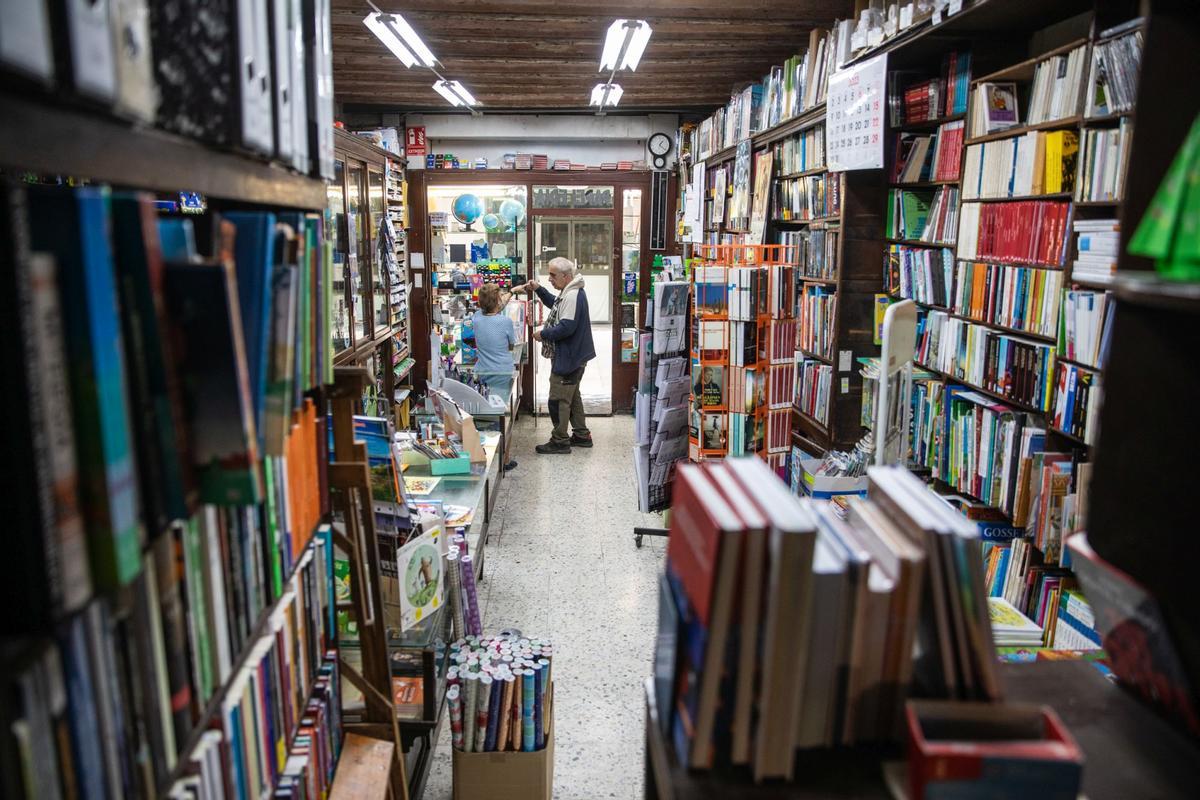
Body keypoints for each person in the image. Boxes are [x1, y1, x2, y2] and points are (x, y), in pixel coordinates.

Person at [519, 257, 596, 454]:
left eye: (552, 275)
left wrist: (542, 334)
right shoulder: (569, 291)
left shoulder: (572, 295)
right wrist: (538, 289)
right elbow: (555, 305)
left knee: (558, 398)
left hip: (570, 355)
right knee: (572, 395)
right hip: (576, 354)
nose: (549, 279)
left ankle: (560, 441)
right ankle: (581, 434)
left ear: (566, 276)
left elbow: (567, 327)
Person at [470, 283, 520, 470]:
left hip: (483, 371)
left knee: (485, 411)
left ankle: (480, 451)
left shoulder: (475, 319)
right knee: (501, 414)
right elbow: (511, 344)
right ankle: (504, 460)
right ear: (498, 301)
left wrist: (513, 291)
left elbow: (491, 309)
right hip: (502, 371)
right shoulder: (505, 322)